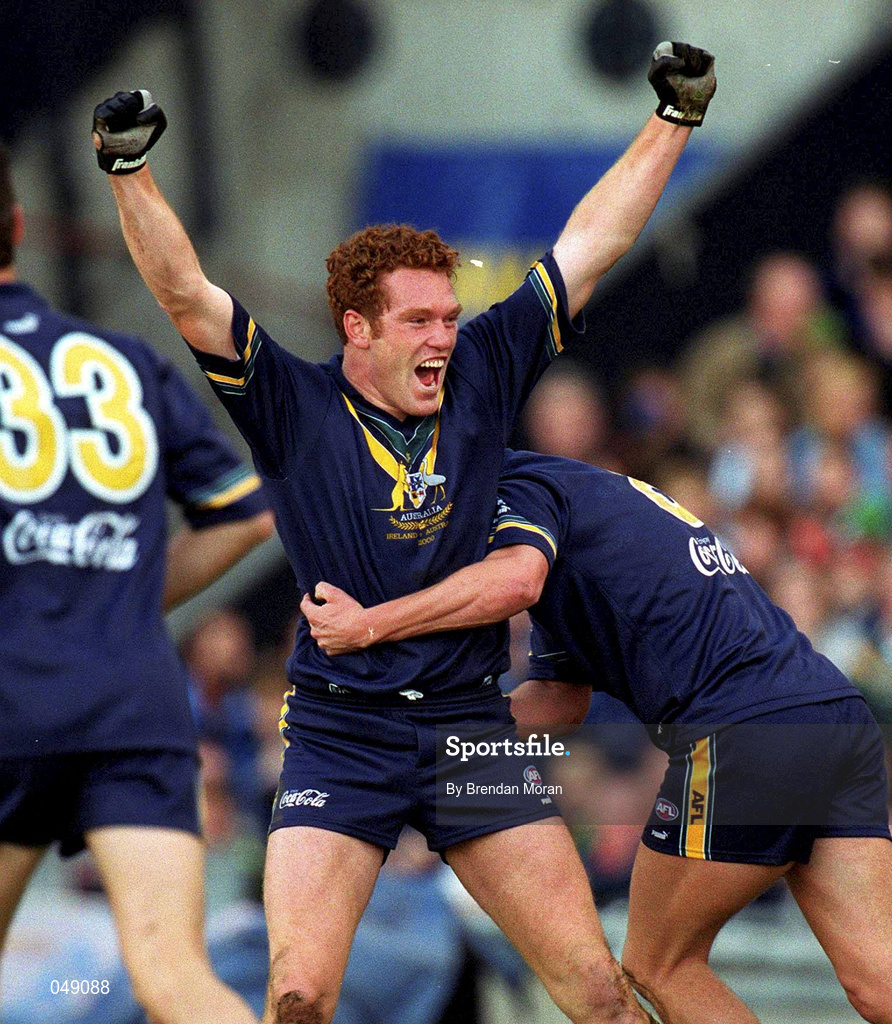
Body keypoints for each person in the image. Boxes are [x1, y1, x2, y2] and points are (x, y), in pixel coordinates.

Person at [92, 41, 716, 1024]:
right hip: (340, 731)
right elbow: (185, 294)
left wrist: (673, 120)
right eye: (420, 319)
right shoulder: (289, 403)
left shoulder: (484, 364)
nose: (443, 337)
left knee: (598, 990)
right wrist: (130, 171)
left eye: (449, 316)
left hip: (472, 724)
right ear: (357, 329)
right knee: (298, 998)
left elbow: (589, 244)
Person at [303, 448, 892, 1024]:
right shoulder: (577, 510)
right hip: (828, 711)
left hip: (746, 729)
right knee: (886, 983)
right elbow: (558, 703)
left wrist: (375, 628)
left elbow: (515, 580)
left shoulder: (514, 495)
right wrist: (444, 740)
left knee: (660, 964)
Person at [0, 141, 274, 1024]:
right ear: (15, 228)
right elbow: (244, 513)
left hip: (10, 696)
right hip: (134, 699)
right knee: (176, 981)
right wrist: (107, 600)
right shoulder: (122, 359)